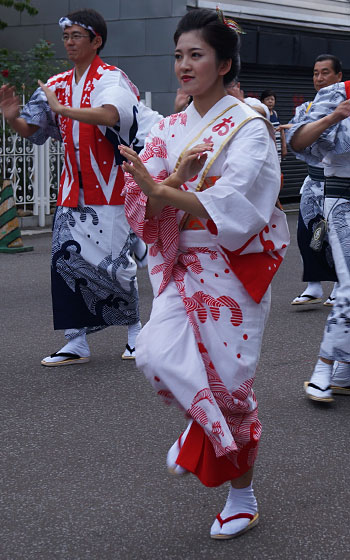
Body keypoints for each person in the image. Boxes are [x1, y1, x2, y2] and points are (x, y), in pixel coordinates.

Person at [120, 8, 289, 539]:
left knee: (232, 388)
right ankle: (204, 425)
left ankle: (243, 496)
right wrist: (165, 185)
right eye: (178, 55)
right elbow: (140, 200)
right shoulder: (169, 127)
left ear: (225, 63)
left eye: (196, 55)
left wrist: (165, 189)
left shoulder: (249, 125)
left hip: (228, 268)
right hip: (179, 263)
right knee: (152, 351)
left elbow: (241, 203)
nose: (184, 65)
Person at [0, 9, 145, 364]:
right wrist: (11, 118)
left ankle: (137, 333)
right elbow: (32, 130)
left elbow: (112, 115)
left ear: (96, 40)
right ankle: (75, 341)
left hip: (110, 188)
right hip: (71, 191)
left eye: (77, 36)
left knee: (115, 265)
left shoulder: (112, 79)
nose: (69, 42)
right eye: (66, 36)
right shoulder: (59, 83)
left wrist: (62, 108)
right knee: (65, 262)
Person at [288, 70, 350, 401]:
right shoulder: (337, 94)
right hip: (343, 199)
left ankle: (342, 371)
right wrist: (334, 116)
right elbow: (298, 140)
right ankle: (323, 369)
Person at [289, 55, 341, 307]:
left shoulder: (345, 107)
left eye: (325, 73)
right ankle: (314, 285)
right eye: (315, 73)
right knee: (309, 234)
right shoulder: (306, 109)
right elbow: (300, 146)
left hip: (340, 183)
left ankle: (341, 285)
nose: (319, 79)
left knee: (338, 236)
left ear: (338, 77)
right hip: (313, 182)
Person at [260, 89, 287, 163]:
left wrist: (284, 147)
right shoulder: (261, 115)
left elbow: (281, 130)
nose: (270, 101)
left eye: (272, 99)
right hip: (267, 148)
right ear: (262, 101)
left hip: (277, 147)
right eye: (267, 99)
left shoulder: (275, 113)